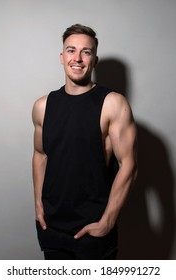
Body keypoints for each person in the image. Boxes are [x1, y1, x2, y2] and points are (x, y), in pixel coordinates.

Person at [32, 24, 137, 260]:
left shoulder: (113, 103)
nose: (77, 58)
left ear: (95, 60)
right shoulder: (43, 106)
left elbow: (128, 165)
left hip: (93, 228)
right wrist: (38, 204)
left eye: (86, 52)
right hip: (52, 227)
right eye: (71, 50)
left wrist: (107, 221)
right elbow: (41, 155)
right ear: (62, 57)